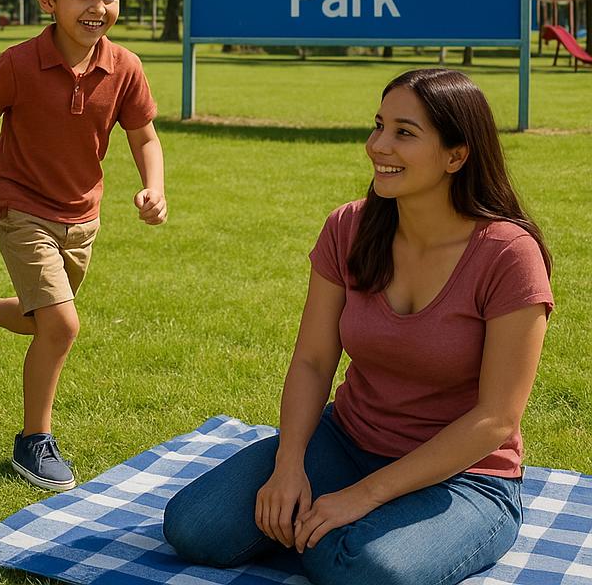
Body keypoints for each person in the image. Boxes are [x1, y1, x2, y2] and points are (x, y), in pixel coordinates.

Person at [163, 68, 553, 585]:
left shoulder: (507, 255)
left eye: (403, 133)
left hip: (465, 477)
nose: (377, 146)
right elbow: (313, 360)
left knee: (355, 566)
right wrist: (289, 464)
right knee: (195, 526)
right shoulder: (347, 227)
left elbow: (495, 420)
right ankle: (326, 527)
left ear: (456, 156)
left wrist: (363, 497)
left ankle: (341, 533)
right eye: (378, 125)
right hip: (348, 441)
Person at [0, 0, 168, 491]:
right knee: (62, 324)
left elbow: (145, 137)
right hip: (21, 206)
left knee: (44, 320)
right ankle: (33, 441)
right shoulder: (19, 63)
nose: (99, 8)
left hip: (81, 216)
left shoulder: (126, 67)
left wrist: (154, 185)